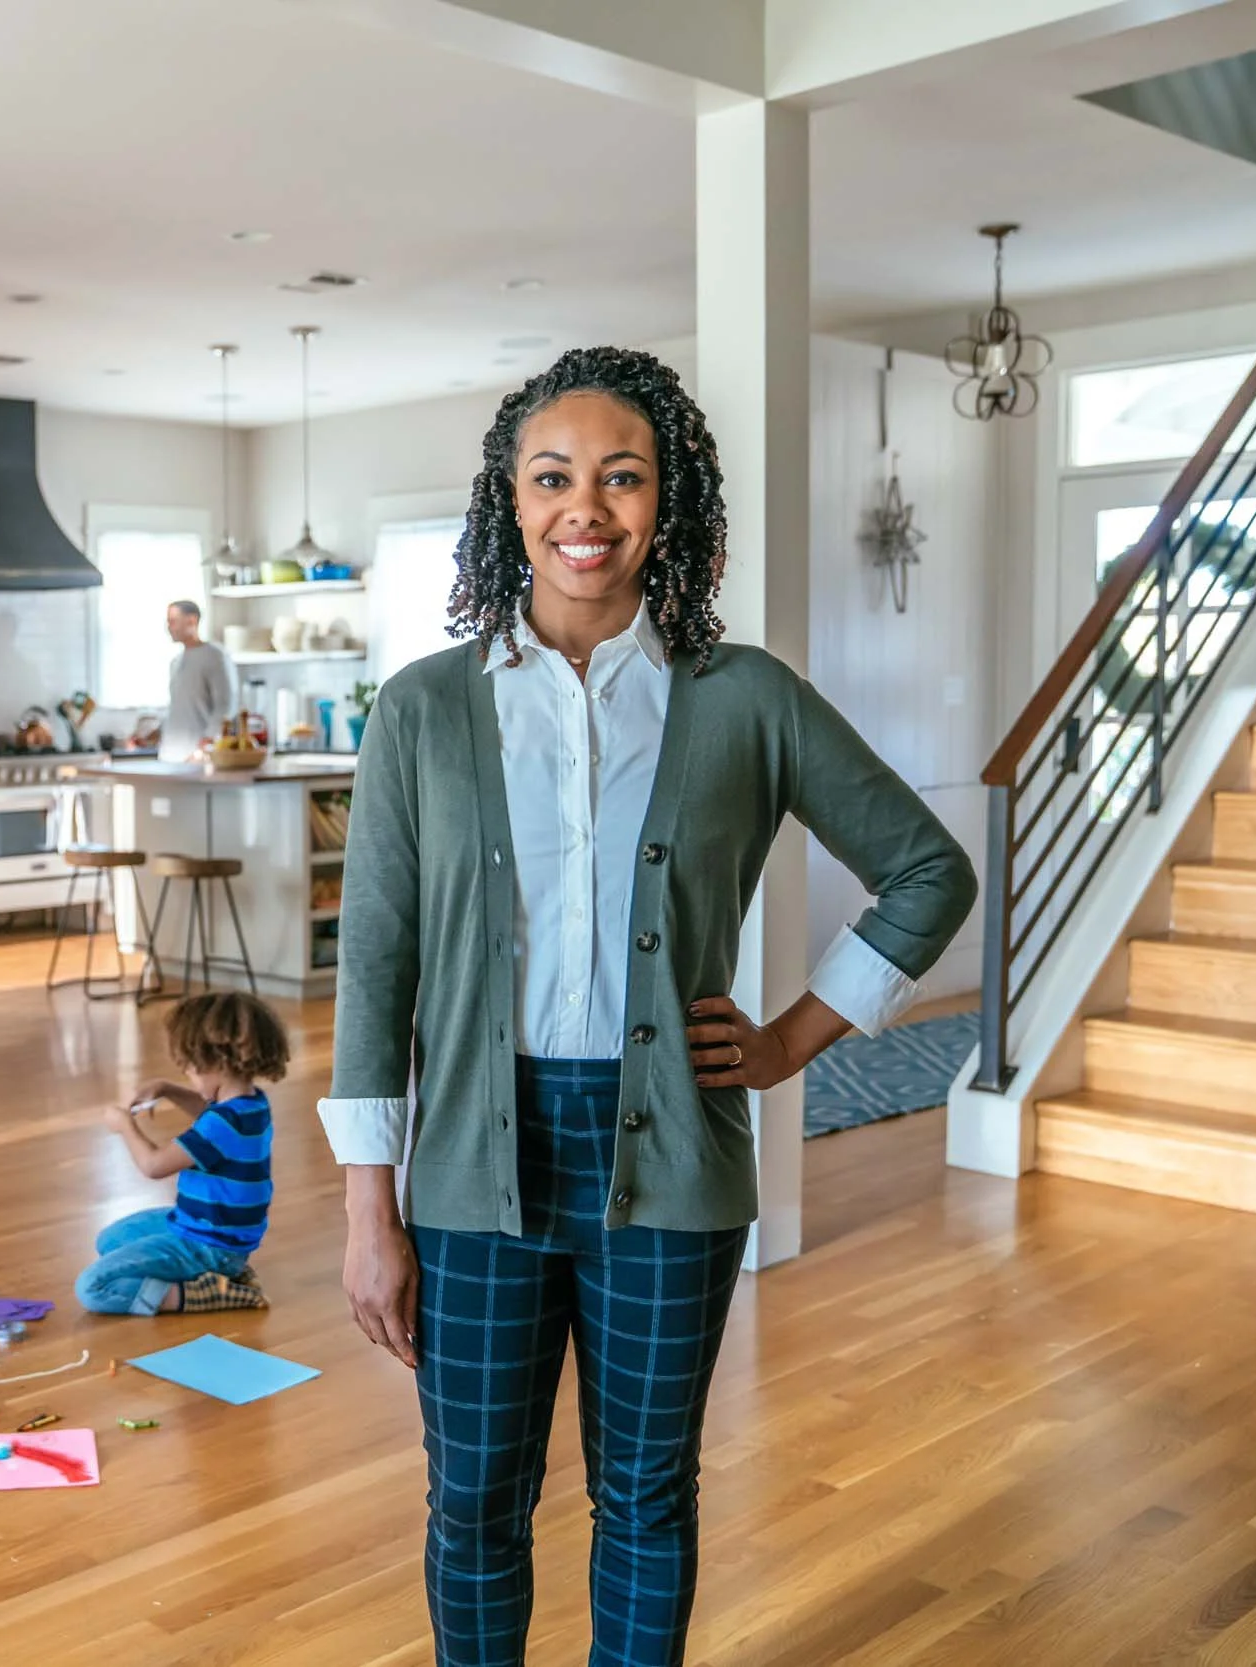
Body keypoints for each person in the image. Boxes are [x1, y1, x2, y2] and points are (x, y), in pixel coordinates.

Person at [321, 346, 975, 1666]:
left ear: (668, 502)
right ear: (506, 502)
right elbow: (375, 964)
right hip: (465, 1161)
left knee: (647, 1495)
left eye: (623, 477)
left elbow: (928, 868)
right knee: (475, 1505)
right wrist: (365, 1211)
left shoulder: (744, 697)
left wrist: (795, 1035)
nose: (587, 508)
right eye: (552, 476)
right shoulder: (424, 708)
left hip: (670, 1157)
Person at [77, 990, 289, 1315]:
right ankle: (223, 1273)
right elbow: (208, 1113)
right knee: (110, 1241)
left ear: (216, 1062)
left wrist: (124, 1127)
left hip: (208, 1243)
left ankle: (201, 1294)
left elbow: (154, 1165)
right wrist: (166, 1088)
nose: (186, 1075)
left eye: (189, 1069)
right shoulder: (249, 1104)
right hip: (200, 1226)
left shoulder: (223, 1122)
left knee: (93, 1287)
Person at [157, 599, 235, 761]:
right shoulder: (176, 662)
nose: (168, 627)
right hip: (170, 754)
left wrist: (208, 742)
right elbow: (178, 708)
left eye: (173, 621)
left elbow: (225, 705)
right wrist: (156, 732)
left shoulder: (215, 656)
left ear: (192, 620)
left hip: (197, 754)